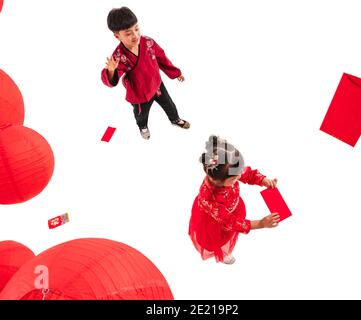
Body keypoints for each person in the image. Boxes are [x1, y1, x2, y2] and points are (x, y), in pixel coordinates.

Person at [101, 7, 190, 140]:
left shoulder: (148, 42)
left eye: (137, 29)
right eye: (128, 33)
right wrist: (111, 70)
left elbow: (162, 58)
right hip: (139, 93)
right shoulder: (119, 56)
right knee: (141, 114)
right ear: (117, 36)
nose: (135, 36)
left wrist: (176, 73)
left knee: (169, 105)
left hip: (157, 84)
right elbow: (114, 77)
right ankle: (142, 126)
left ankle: (175, 119)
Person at [189, 135, 280, 264]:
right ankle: (220, 252)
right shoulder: (209, 200)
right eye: (234, 179)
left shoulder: (230, 170)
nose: (239, 177)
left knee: (229, 233)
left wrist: (263, 180)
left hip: (232, 206)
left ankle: (222, 249)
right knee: (218, 238)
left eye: (238, 174)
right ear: (217, 180)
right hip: (216, 221)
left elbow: (247, 174)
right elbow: (231, 222)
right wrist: (261, 223)